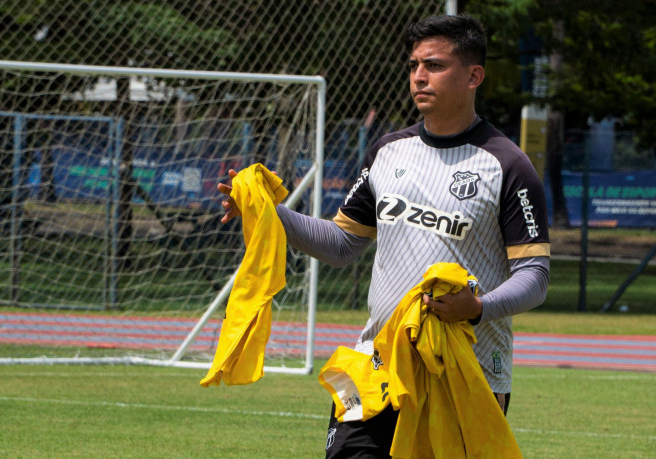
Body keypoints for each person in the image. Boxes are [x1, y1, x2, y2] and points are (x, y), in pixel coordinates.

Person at [218, 13, 550, 458]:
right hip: (377, 364)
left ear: (473, 76)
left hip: (467, 375)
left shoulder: (507, 165)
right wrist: (267, 213)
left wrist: (478, 308)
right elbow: (341, 243)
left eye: (434, 65)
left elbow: (535, 275)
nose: (418, 76)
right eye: (413, 65)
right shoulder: (388, 152)